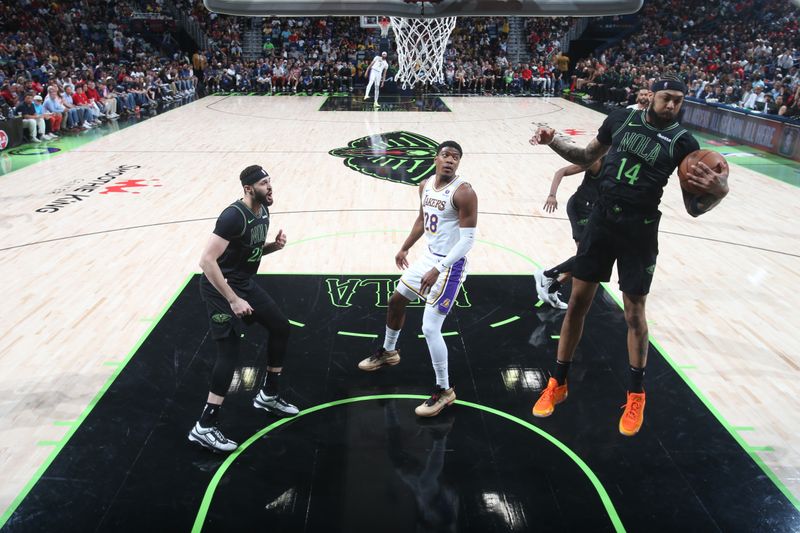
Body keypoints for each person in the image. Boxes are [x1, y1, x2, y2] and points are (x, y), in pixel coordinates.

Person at [528, 76, 729, 436]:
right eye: (667, 98)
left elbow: (695, 208)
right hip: (601, 220)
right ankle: (557, 382)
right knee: (577, 304)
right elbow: (586, 156)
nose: (672, 106)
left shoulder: (685, 143)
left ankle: (636, 394)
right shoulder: (619, 118)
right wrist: (553, 140)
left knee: (634, 312)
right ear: (652, 96)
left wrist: (719, 191)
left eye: (679, 101)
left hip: (640, 228)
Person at [357, 141, 477, 417]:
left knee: (431, 329)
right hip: (428, 258)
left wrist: (440, 267)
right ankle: (389, 352)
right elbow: (423, 220)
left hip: (451, 266)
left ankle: (445, 391)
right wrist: (405, 246)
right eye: (446, 155)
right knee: (396, 300)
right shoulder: (424, 186)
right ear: (436, 158)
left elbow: (468, 241)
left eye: (455, 157)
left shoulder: (464, 192)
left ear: (459, 163)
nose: (450, 160)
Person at [188, 165, 299, 453]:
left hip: (244, 283)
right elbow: (207, 262)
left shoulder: (263, 210)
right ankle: (205, 426)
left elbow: (249, 250)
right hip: (218, 287)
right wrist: (233, 299)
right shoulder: (232, 216)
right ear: (248, 188)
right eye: (264, 183)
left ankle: (269, 395)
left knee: (280, 327)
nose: (270, 187)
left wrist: (274, 246)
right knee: (229, 352)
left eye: (270, 181)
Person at [534, 156, 605, 309]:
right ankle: (547, 275)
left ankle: (551, 287)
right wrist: (552, 195)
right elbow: (562, 171)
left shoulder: (621, 168)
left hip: (595, 211)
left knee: (586, 259)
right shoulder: (597, 162)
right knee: (586, 257)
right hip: (580, 209)